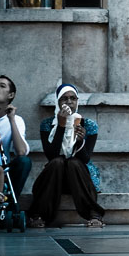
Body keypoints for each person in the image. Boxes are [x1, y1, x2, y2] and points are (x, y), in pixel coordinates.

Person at [28, 83, 105, 228]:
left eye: (73, 98)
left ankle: (94, 214)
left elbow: (85, 159)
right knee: (57, 161)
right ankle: (39, 214)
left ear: (77, 101)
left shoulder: (88, 125)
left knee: (73, 162)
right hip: (55, 177)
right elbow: (51, 155)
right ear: (58, 102)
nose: (69, 102)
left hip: (79, 177)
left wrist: (80, 141)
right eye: (64, 99)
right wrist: (61, 127)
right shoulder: (47, 125)